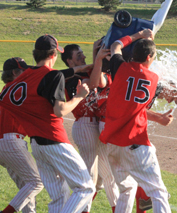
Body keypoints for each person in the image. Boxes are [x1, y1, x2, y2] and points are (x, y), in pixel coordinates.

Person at [0, 34, 95, 213]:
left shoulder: (26, 75)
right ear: (53, 55)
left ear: (35, 54)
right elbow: (60, 110)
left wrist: (80, 68)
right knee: (85, 187)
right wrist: (79, 96)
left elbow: (51, 76)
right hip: (54, 140)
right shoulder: (51, 75)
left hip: (37, 145)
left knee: (60, 197)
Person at [99, 29, 172, 213]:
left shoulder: (120, 68)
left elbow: (116, 45)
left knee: (127, 189)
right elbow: (141, 106)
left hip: (113, 143)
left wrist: (138, 35)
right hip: (134, 142)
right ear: (149, 57)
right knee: (158, 191)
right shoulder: (153, 79)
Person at [61, 42, 118, 213]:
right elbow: (93, 82)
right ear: (69, 62)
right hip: (85, 125)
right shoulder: (71, 79)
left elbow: (96, 74)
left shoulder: (86, 71)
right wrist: (97, 55)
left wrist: (96, 52)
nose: (83, 57)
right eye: (78, 56)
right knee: (89, 179)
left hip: (94, 125)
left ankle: (119, 209)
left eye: (82, 53)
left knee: (106, 177)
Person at [0, 57, 44, 213]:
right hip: (11, 142)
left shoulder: (7, 89)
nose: (27, 74)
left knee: (26, 187)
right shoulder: (17, 88)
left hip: (2, 144)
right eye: (23, 71)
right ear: (15, 73)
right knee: (37, 182)